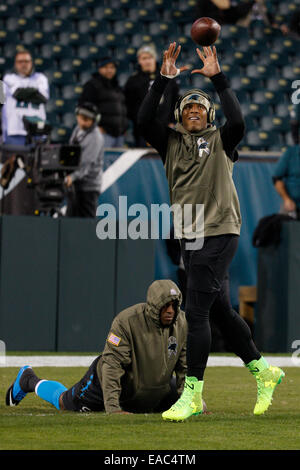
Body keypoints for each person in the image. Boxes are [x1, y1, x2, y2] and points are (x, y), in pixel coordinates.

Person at [137, 42, 285, 421]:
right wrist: (162, 81)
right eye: (187, 107)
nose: (193, 111)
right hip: (191, 236)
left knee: (196, 311)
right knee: (220, 310)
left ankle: (191, 394)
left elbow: (238, 122)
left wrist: (217, 76)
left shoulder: (222, 139)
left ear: (209, 115)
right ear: (179, 116)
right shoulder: (169, 143)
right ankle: (263, 371)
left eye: (199, 107)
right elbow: (141, 123)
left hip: (219, 230)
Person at [6, 280, 199, 414]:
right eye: (166, 306)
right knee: (64, 402)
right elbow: (112, 365)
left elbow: (185, 367)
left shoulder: (181, 322)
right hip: (107, 380)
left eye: (174, 306)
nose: (171, 311)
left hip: (150, 386)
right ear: (154, 306)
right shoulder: (126, 322)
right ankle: (28, 380)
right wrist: (113, 408)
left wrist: (194, 403)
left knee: (173, 399)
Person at [124, 44, 179, 147]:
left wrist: (172, 121)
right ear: (139, 61)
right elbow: (128, 105)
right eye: (144, 58)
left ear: (155, 59)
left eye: (150, 57)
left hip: (165, 127)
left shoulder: (168, 77)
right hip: (143, 130)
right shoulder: (133, 81)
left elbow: (175, 101)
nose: (147, 61)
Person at [64, 102, 104, 218]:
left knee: (87, 224)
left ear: (94, 120)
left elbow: (86, 164)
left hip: (88, 188)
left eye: (87, 120)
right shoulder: (77, 130)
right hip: (76, 185)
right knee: (70, 221)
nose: (83, 122)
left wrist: (71, 177)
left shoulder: (95, 137)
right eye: (82, 118)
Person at [1, 49, 49, 145]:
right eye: (20, 62)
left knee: (36, 159)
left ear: (31, 63)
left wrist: (23, 93)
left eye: (26, 61)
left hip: (37, 130)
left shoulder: (41, 78)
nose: (23, 64)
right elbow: (17, 94)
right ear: (15, 64)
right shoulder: (7, 78)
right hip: (14, 130)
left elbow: (43, 98)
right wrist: (35, 91)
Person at [79, 57, 128, 148]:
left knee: (119, 162)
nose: (109, 70)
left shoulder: (117, 87)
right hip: (103, 134)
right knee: (102, 161)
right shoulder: (92, 85)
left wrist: (124, 127)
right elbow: (84, 108)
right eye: (106, 67)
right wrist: (95, 128)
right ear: (99, 69)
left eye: (112, 67)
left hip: (119, 135)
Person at [272, 145, 300, 220]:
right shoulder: (291, 153)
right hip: (292, 203)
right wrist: (286, 199)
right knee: (280, 226)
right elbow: (276, 179)